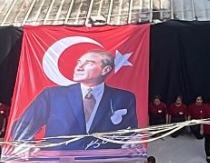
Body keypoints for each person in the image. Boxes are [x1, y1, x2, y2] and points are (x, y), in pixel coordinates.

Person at [9, 49, 140, 149]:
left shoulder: (124, 98)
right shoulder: (52, 95)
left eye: (88, 63)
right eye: (79, 62)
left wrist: (131, 143)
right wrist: (27, 147)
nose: (79, 67)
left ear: (105, 69)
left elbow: (130, 132)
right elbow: (23, 126)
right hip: (59, 161)